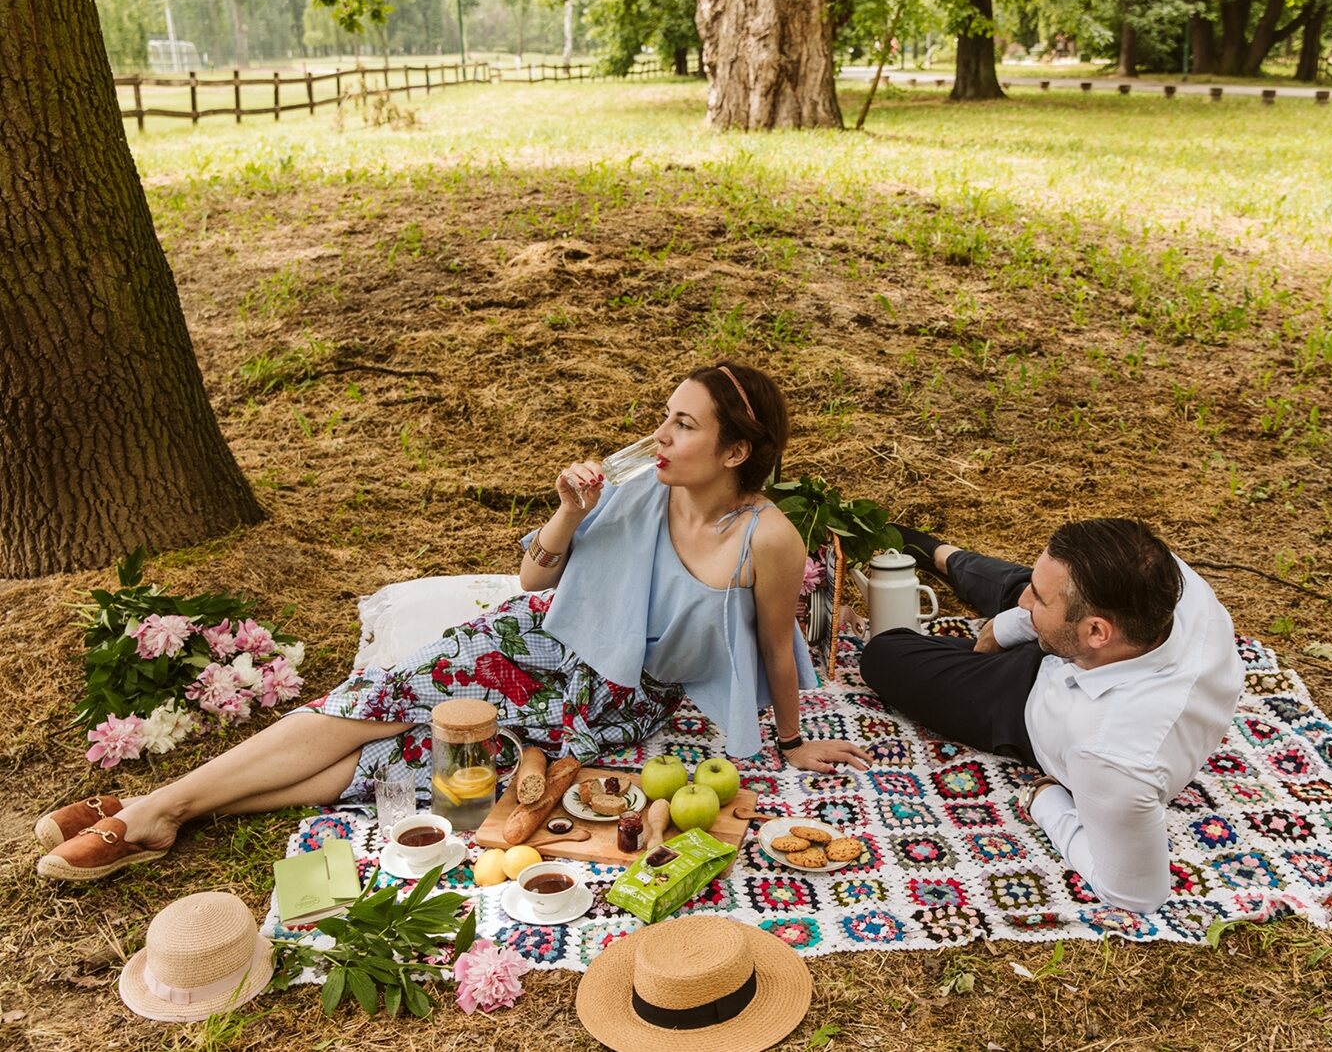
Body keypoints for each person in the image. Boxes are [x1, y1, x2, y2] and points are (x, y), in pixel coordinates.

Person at [38, 362, 870, 882]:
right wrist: (568, 512)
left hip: (610, 704)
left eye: (683, 424)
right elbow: (535, 578)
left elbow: (774, 645)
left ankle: (161, 810)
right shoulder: (636, 486)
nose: (659, 432)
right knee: (367, 704)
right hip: (530, 640)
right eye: (665, 412)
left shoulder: (768, 538)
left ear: (734, 452)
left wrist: (794, 739)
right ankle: (156, 810)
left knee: (403, 761)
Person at [860, 520, 1243, 913]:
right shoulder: (1157, 575)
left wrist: (1044, 801)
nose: (1026, 602)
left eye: (1038, 599)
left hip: (1023, 704)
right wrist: (1004, 628)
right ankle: (942, 556)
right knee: (1028, 590)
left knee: (884, 654)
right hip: (1077, 653)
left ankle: (953, 567)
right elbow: (1042, 603)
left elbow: (1135, 894)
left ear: (1097, 632)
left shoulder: (1111, 754)